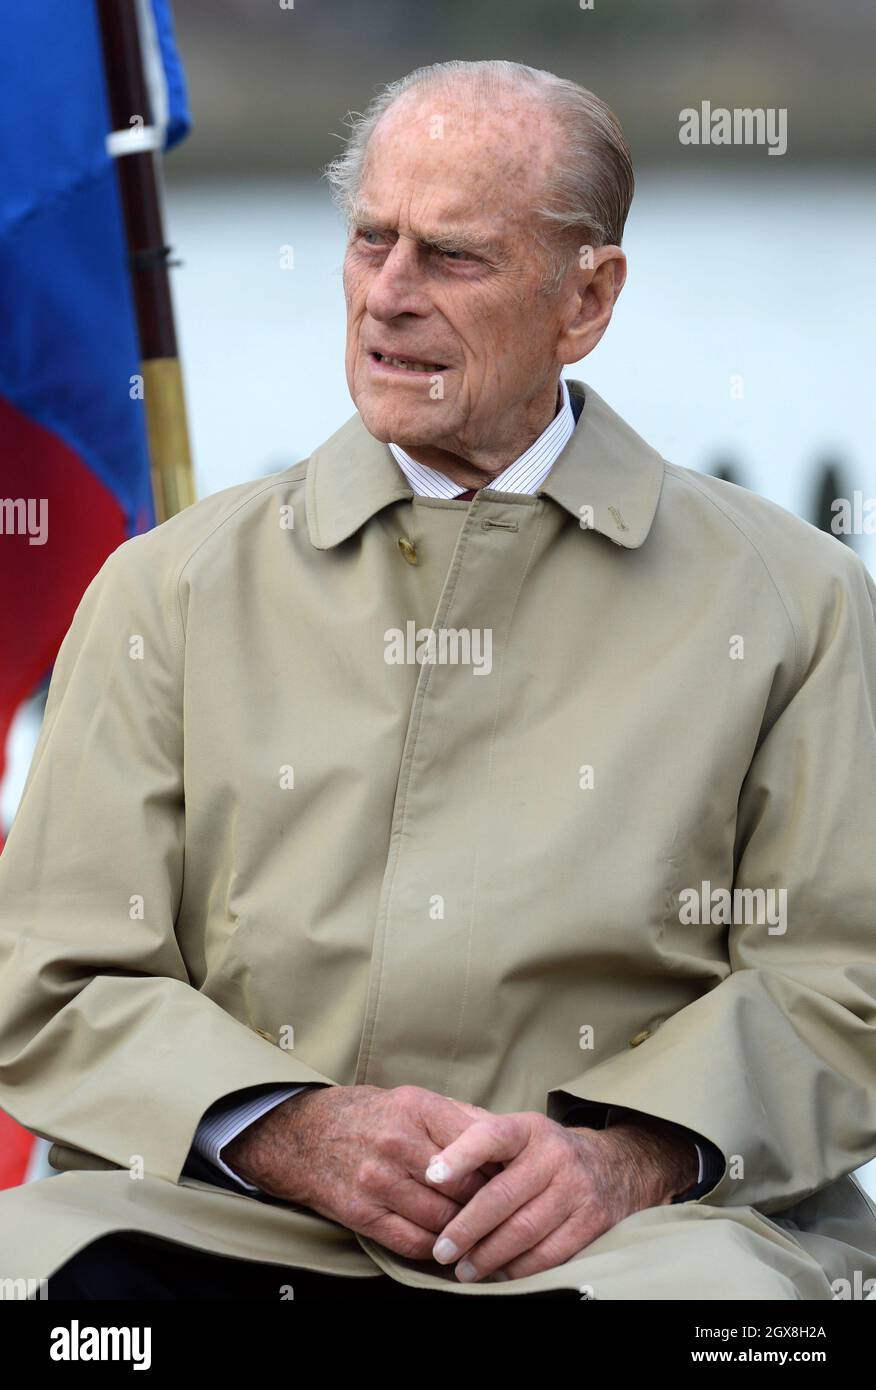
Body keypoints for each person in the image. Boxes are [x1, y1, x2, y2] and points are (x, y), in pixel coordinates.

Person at [1, 59, 875, 1302]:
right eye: (370, 241)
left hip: (647, 1236)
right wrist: (284, 1130)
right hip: (221, 1220)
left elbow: (845, 983)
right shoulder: (167, 589)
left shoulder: (798, 600)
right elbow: (52, 972)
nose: (386, 298)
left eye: (452, 257)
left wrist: (627, 1159)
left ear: (587, 299)